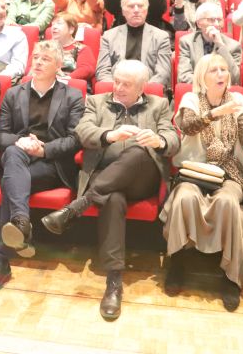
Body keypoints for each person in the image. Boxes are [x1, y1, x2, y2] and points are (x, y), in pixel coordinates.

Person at [40, 59, 179, 320]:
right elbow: (83, 131)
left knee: (138, 151)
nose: (119, 88)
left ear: (141, 88)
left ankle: (77, 207)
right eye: (116, 81)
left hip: (141, 176)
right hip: (105, 176)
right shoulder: (97, 101)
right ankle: (114, 282)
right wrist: (109, 136)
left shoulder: (159, 104)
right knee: (113, 197)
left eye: (126, 84)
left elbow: (173, 139)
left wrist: (159, 141)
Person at [164, 55, 243, 309]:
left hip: (230, 171)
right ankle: (177, 262)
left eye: (224, 70)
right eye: (214, 70)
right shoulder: (191, 99)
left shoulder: (238, 100)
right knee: (185, 197)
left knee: (228, 202)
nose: (220, 74)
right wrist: (214, 113)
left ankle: (230, 277)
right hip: (195, 170)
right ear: (202, 77)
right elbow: (188, 126)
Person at [0, 42, 85, 294]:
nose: (37, 62)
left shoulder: (73, 96)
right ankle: (19, 228)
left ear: (59, 65)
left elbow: (75, 140)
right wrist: (20, 140)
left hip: (51, 165)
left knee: (10, 182)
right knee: (14, 151)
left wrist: (43, 149)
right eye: (35, 57)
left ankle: (2, 259)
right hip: (19, 159)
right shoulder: (14, 93)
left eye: (45, 59)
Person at [95, 0, 172, 86]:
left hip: (148, 93)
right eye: (131, 6)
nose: (136, 10)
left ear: (147, 9)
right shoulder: (108, 36)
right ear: (123, 11)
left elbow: (163, 74)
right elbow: (102, 72)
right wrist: (117, 89)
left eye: (140, 6)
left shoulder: (161, 37)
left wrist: (142, 91)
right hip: (117, 92)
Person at [176, 2, 241, 85]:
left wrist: (220, 45)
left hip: (222, 93)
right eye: (212, 20)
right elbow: (183, 76)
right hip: (196, 92)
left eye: (219, 20)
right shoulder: (187, 42)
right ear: (199, 23)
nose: (217, 24)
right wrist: (210, 83)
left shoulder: (234, 46)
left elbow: (235, 78)